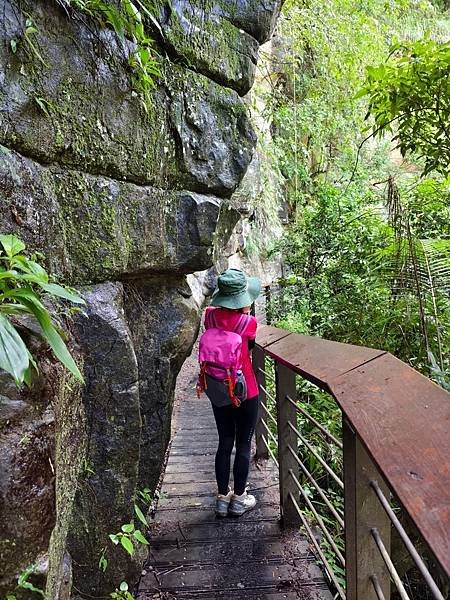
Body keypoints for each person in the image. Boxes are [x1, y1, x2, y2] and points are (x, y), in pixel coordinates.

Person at [203, 268, 261, 518]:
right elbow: (248, 346)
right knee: (244, 443)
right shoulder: (249, 323)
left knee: (225, 441)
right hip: (245, 389)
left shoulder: (210, 317)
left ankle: (221, 498)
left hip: (218, 388)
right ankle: (239, 499)